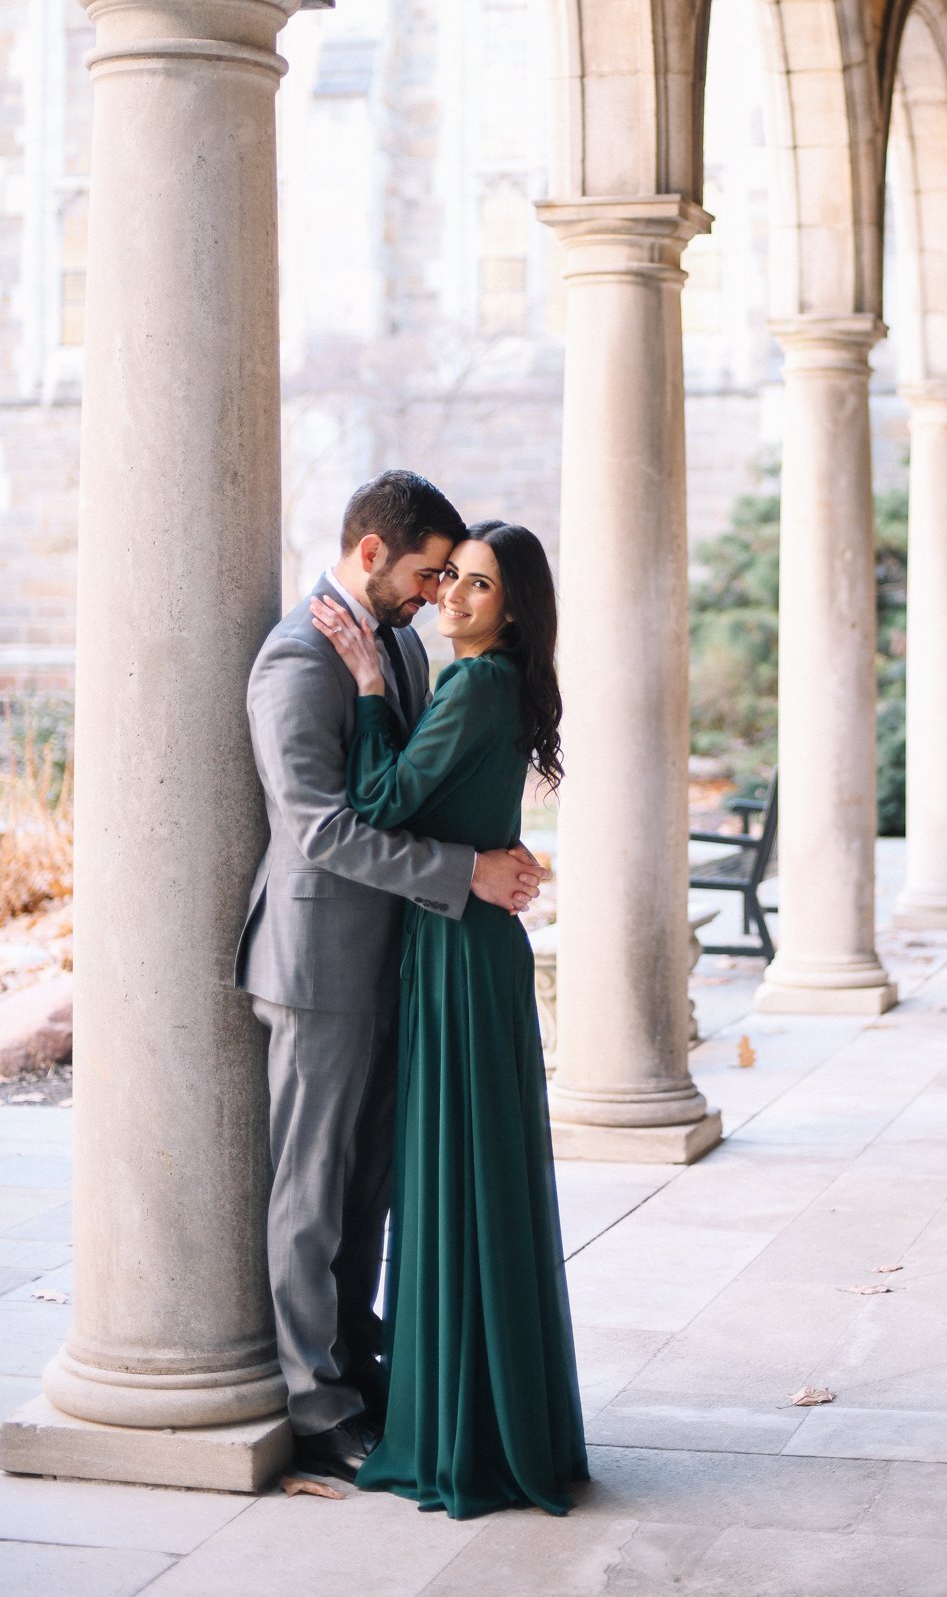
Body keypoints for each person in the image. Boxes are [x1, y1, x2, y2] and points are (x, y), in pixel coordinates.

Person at [237, 471, 542, 1483]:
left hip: (401, 960)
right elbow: (321, 830)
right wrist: (466, 874)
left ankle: (358, 1357)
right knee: (313, 1190)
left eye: (448, 578)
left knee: (369, 1185)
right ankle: (313, 1400)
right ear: (371, 552)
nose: (429, 594)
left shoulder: (404, 646)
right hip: (319, 959)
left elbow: (417, 786)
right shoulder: (293, 659)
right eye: (422, 573)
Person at [310, 518, 588, 1518]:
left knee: (456, 1175)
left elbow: (380, 800)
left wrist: (374, 691)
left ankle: (464, 1431)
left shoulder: (474, 683)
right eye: (451, 581)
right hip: (468, 944)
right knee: (469, 1178)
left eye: (477, 588)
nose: (453, 600)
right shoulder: (491, 683)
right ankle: (490, 1411)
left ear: (512, 609)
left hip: (458, 954)